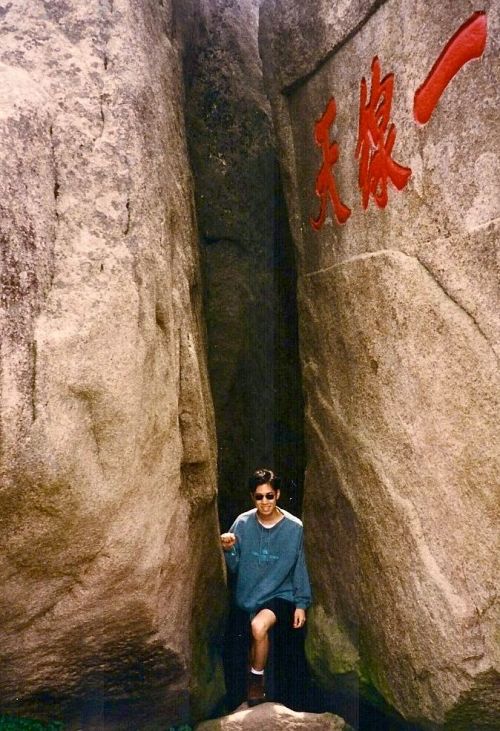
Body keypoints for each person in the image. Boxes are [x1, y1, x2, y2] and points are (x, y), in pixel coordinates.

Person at [220, 468, 312, 706]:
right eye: (259, 496)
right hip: (248, 596)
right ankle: (254, 678)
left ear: (278, 494)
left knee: (259, 627)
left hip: (280, 594)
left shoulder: (294, 528)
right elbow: (234, 566)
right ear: (253, 497)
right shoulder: (241, 523)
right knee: (249, 637)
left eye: (269, 495)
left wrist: (301, 604)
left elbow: (299, 566)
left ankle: (256, 681)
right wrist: (229, 550)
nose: (264, 502)